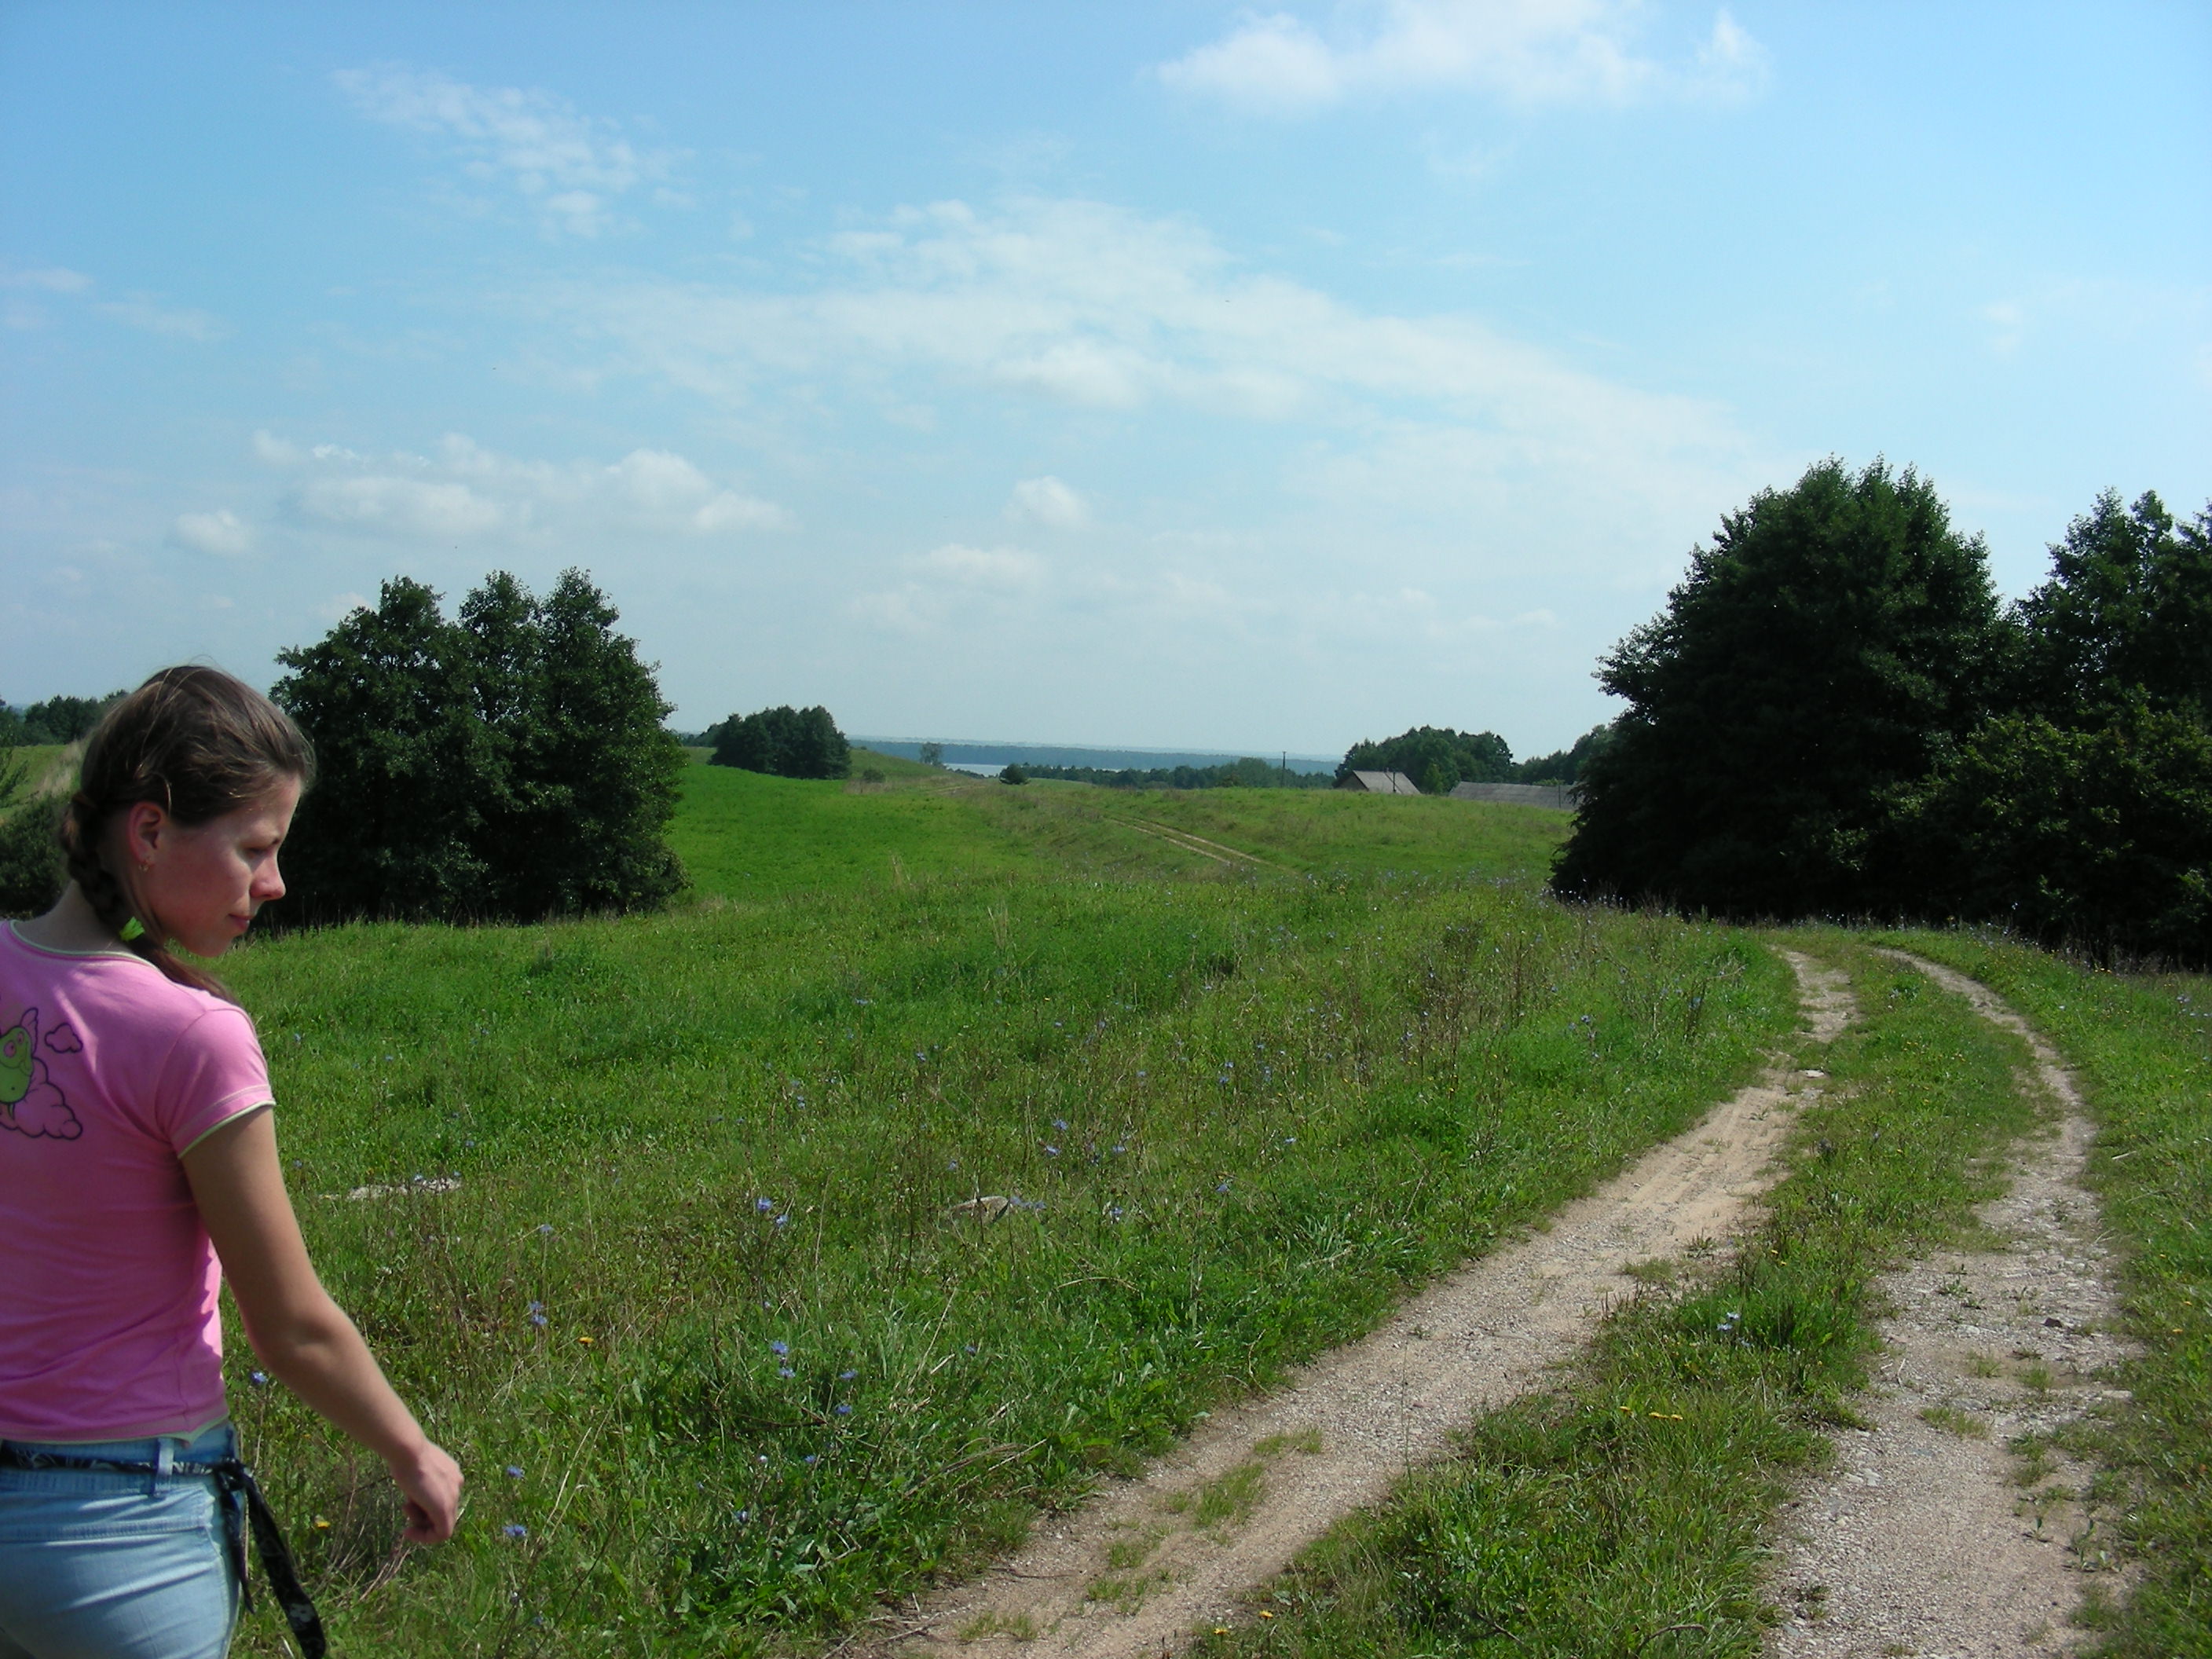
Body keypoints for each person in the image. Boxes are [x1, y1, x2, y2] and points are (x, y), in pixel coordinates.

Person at [0, 666, 463, 1658]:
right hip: (121, 1537)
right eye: (255, 847)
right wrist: (411, 1449)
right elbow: (288, 1328)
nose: (275, 881)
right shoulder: (191, 1035)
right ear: (150, 831)